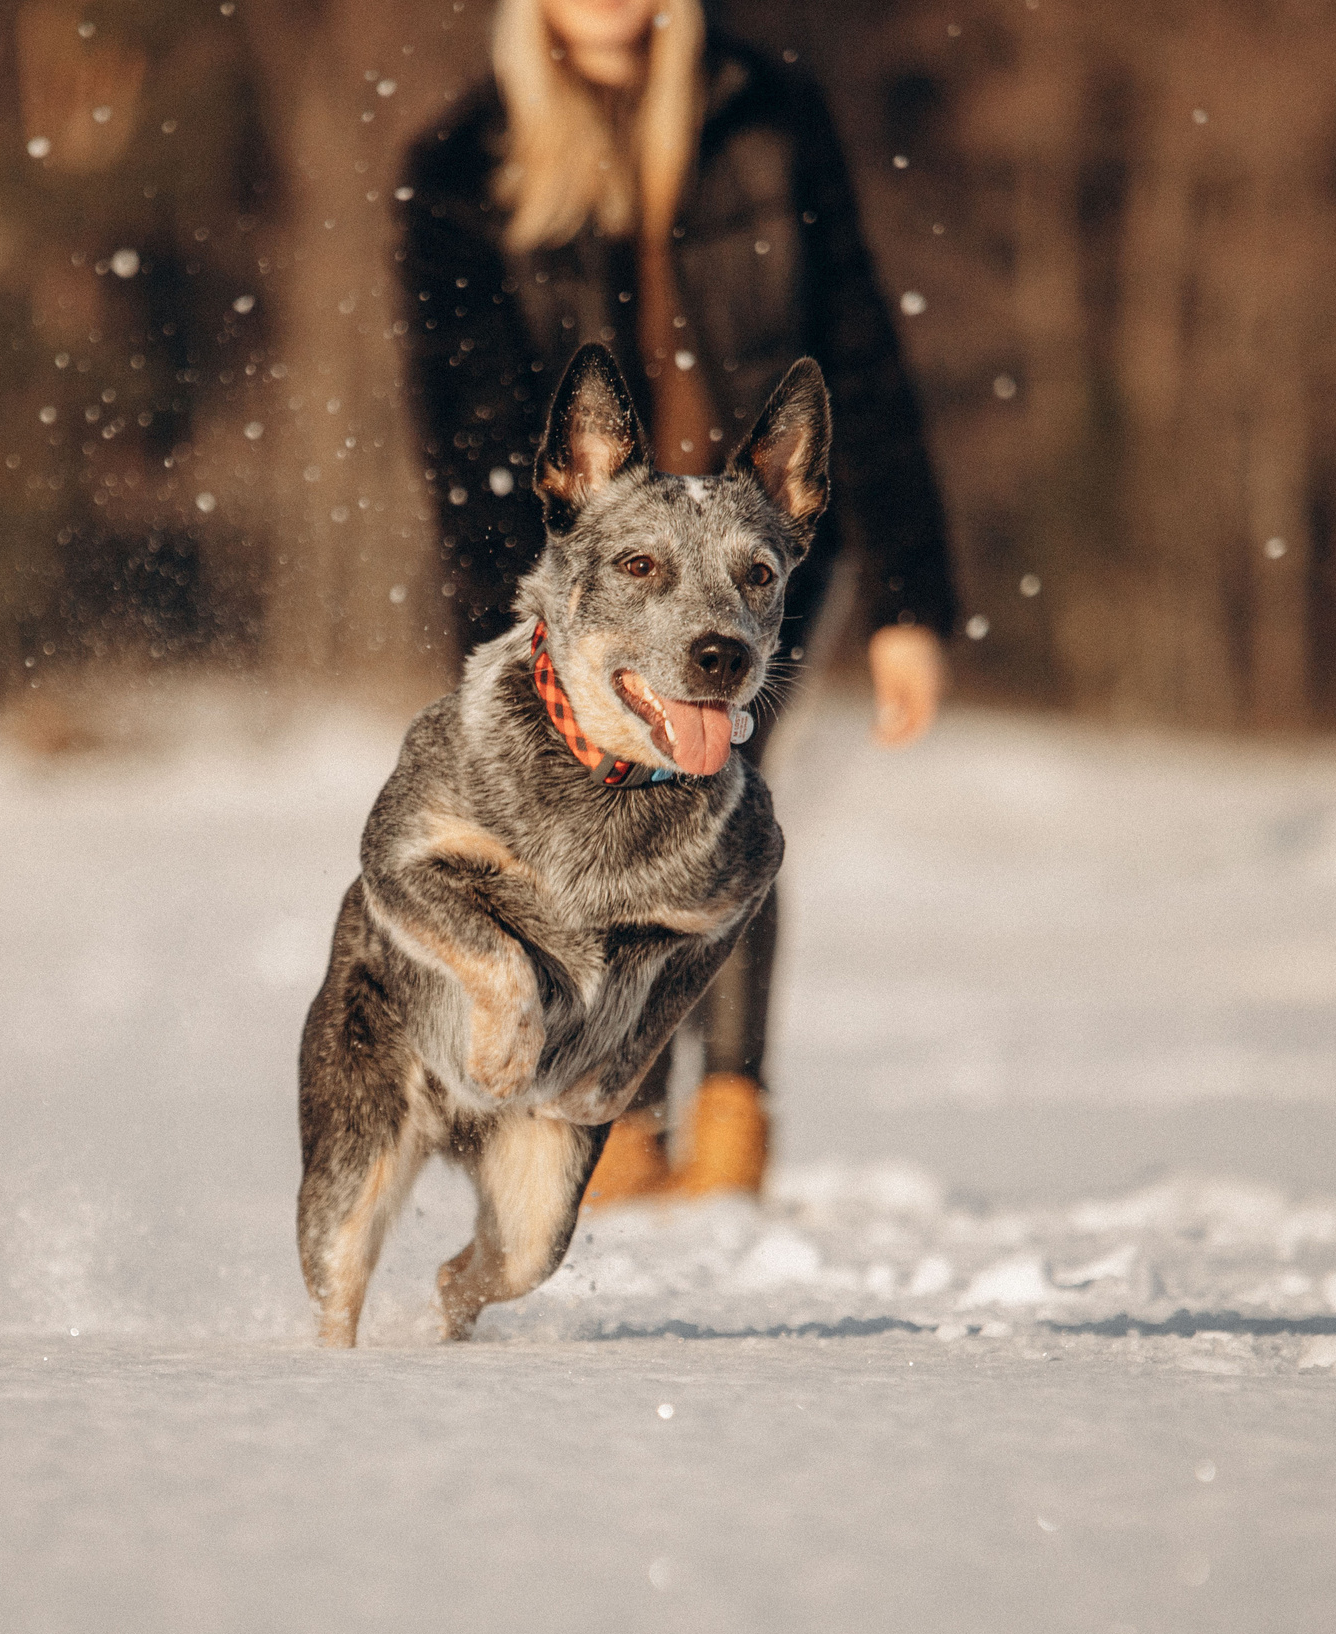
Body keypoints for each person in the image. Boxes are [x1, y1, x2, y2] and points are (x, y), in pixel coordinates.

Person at [396, 0, 957, 1205]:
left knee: (718, 791)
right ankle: (626, 1117)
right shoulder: (456, 163)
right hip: (599, 568)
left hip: (755, 542)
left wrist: (911, 595)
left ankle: (732, 1118)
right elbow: (464, 433)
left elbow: (854, 351)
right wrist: (512, 618)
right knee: (601, 820)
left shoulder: (765, 113)